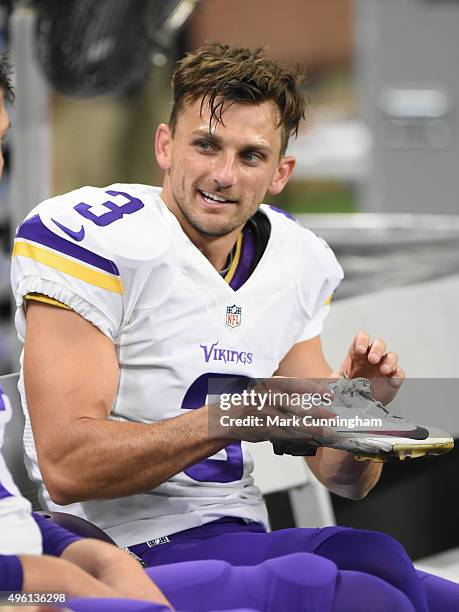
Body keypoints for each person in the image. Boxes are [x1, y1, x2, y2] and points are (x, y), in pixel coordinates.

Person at [9, 43, 459, 611]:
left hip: (240, 535)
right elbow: (67, 465)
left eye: (250, 156)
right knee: (367, 591)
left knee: (379, 558)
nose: (223, 174)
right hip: (123, 551)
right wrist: (240, 415)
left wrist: (355, 417)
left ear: (280, 173)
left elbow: (344, 480)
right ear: (165, 147)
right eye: (205, 145)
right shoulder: (96, 238)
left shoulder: (296, 258)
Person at [0, 53, 172, 612]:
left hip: (44, 572)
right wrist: (50, 579)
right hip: (30, 587)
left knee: (363, 574)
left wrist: (85, 555)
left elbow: (8, 513)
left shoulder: (289, 264)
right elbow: (69, 466)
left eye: (1, 143)